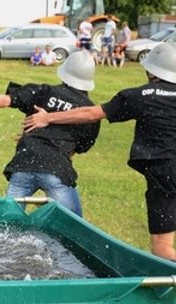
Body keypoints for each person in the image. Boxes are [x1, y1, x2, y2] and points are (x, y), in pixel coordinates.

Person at [23, 42, 176, 261]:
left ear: (150, 71)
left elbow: (90, 113)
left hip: (165, 175)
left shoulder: (139, 95)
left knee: (162, 247)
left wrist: (48, 117)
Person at [0, 51, 99, 216]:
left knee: (8, 227)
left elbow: (4, 99)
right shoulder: (90, 112)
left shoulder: (43, 92)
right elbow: (78, 147)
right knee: (74, 227)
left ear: (64, 71)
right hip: (57, 171)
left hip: (23, 165)